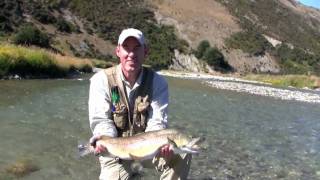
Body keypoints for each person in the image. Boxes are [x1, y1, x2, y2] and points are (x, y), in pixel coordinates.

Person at [88, 28, 192, 180]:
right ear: (118, 51)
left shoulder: (158, 82)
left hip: (148, 149)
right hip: (116, 152)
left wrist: (161, 146)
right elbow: (101, 120)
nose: (131, 54)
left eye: (137, 48)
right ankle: (132, 172)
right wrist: (104, 141)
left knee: (183, 152)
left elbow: (157, 122)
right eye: (126, 48)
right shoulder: (101, 80)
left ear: (145, 51)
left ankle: (137, 170)